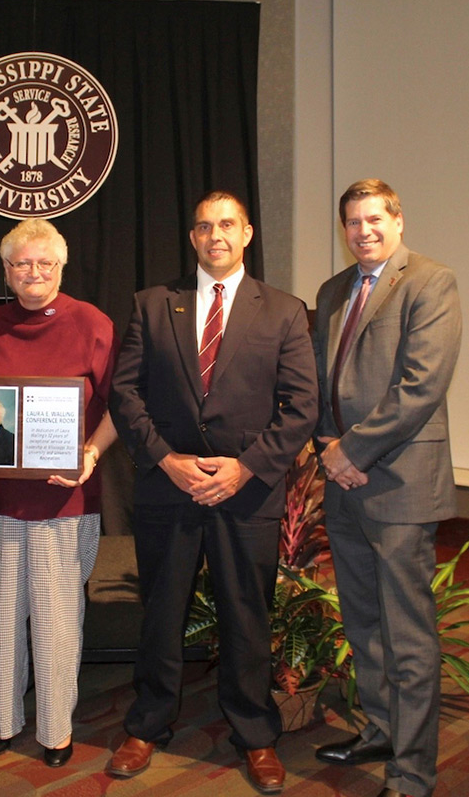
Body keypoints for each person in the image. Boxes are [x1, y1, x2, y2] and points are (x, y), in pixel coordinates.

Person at [107, 190, 318, 793]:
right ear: (193, 236)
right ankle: (147, 724)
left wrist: (246, 468)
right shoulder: (152, 305)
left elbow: (301, 407)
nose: (215, 235)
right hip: (168, 489)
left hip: (246, 493)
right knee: (161, 616)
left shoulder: (283, 310)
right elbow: (126, 396)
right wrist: (166, 460)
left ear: (247, 233)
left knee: (246, 616)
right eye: (204, 226)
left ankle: (255, 735)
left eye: (227, 224)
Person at [0, 218, 118, 768]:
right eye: (22, 264)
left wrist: (89, 455)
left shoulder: (91, 322)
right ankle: (6, 718)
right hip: (0, 500)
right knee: (1, 613)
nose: (34, 273)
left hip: (63, 500)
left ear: (61, 267)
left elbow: (120, 406)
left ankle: (56, 729)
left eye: (45, 263)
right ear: (6, 271)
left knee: (55, 617)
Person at [312, 180, 462, 797]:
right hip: (344, 483)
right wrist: (328, 449)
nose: (363, 230)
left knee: (407, 634)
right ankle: (378, 727)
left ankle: (412, 771)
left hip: (399, 481)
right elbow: (321, 384)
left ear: (397, 220)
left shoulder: (431, 282)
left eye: (374, 219)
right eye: (352, 222)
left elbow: (421, 387)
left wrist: (351, 450)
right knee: (363, 621)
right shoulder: (330, 291)